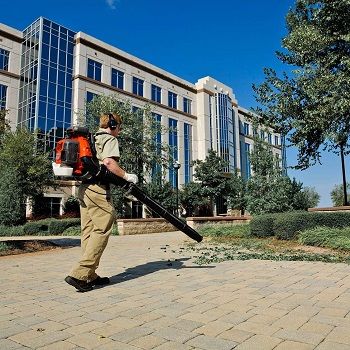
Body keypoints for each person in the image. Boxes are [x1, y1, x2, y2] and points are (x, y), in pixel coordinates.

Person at [65, 113, 138, 292]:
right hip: (97, 189)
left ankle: (89, 275)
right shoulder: (109, 138)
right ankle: (80, 274)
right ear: (113, 125)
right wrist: (127, 176)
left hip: (83, 189)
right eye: (119, 127)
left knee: (89, 231)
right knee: (104, 225)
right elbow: (108, 162)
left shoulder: (92, 138)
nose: (119, 131)